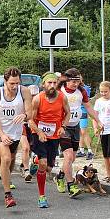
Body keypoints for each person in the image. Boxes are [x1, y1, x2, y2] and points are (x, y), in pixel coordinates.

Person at [0, 67, 31, 208]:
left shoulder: (24, 91)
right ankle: (8, 195)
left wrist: (24, 115)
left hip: (15, 132)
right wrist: (1, 134)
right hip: (0, 130)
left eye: (17, 83)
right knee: (6, 158)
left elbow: (30, 113)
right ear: (5, 81)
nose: (14, 86)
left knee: (3, 163)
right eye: (11, 83)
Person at [28, 72, 70, 209]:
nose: (52, 86)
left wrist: (63, 126)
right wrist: (39, 132)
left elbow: (68, 113)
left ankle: (35, 160)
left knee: (49, 167)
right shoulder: (38, 99)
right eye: (49, 83)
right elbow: (31, 121)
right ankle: (41, 196)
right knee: (43, 163)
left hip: (54, 135)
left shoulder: (62, 98)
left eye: (54, 83)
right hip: (39, 133)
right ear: (43, 85)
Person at [56, 68, 100, 198]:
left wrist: (98, 121)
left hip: (75, 125)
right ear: (66, 80)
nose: (75, 84)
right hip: (63, 127)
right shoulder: (60, 91)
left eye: (77, 81)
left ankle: (60, 176)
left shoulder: (81, 91)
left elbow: (88, 107)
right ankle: (71, 186)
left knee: (72, 158)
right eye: (73, 81)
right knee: (68, 157)